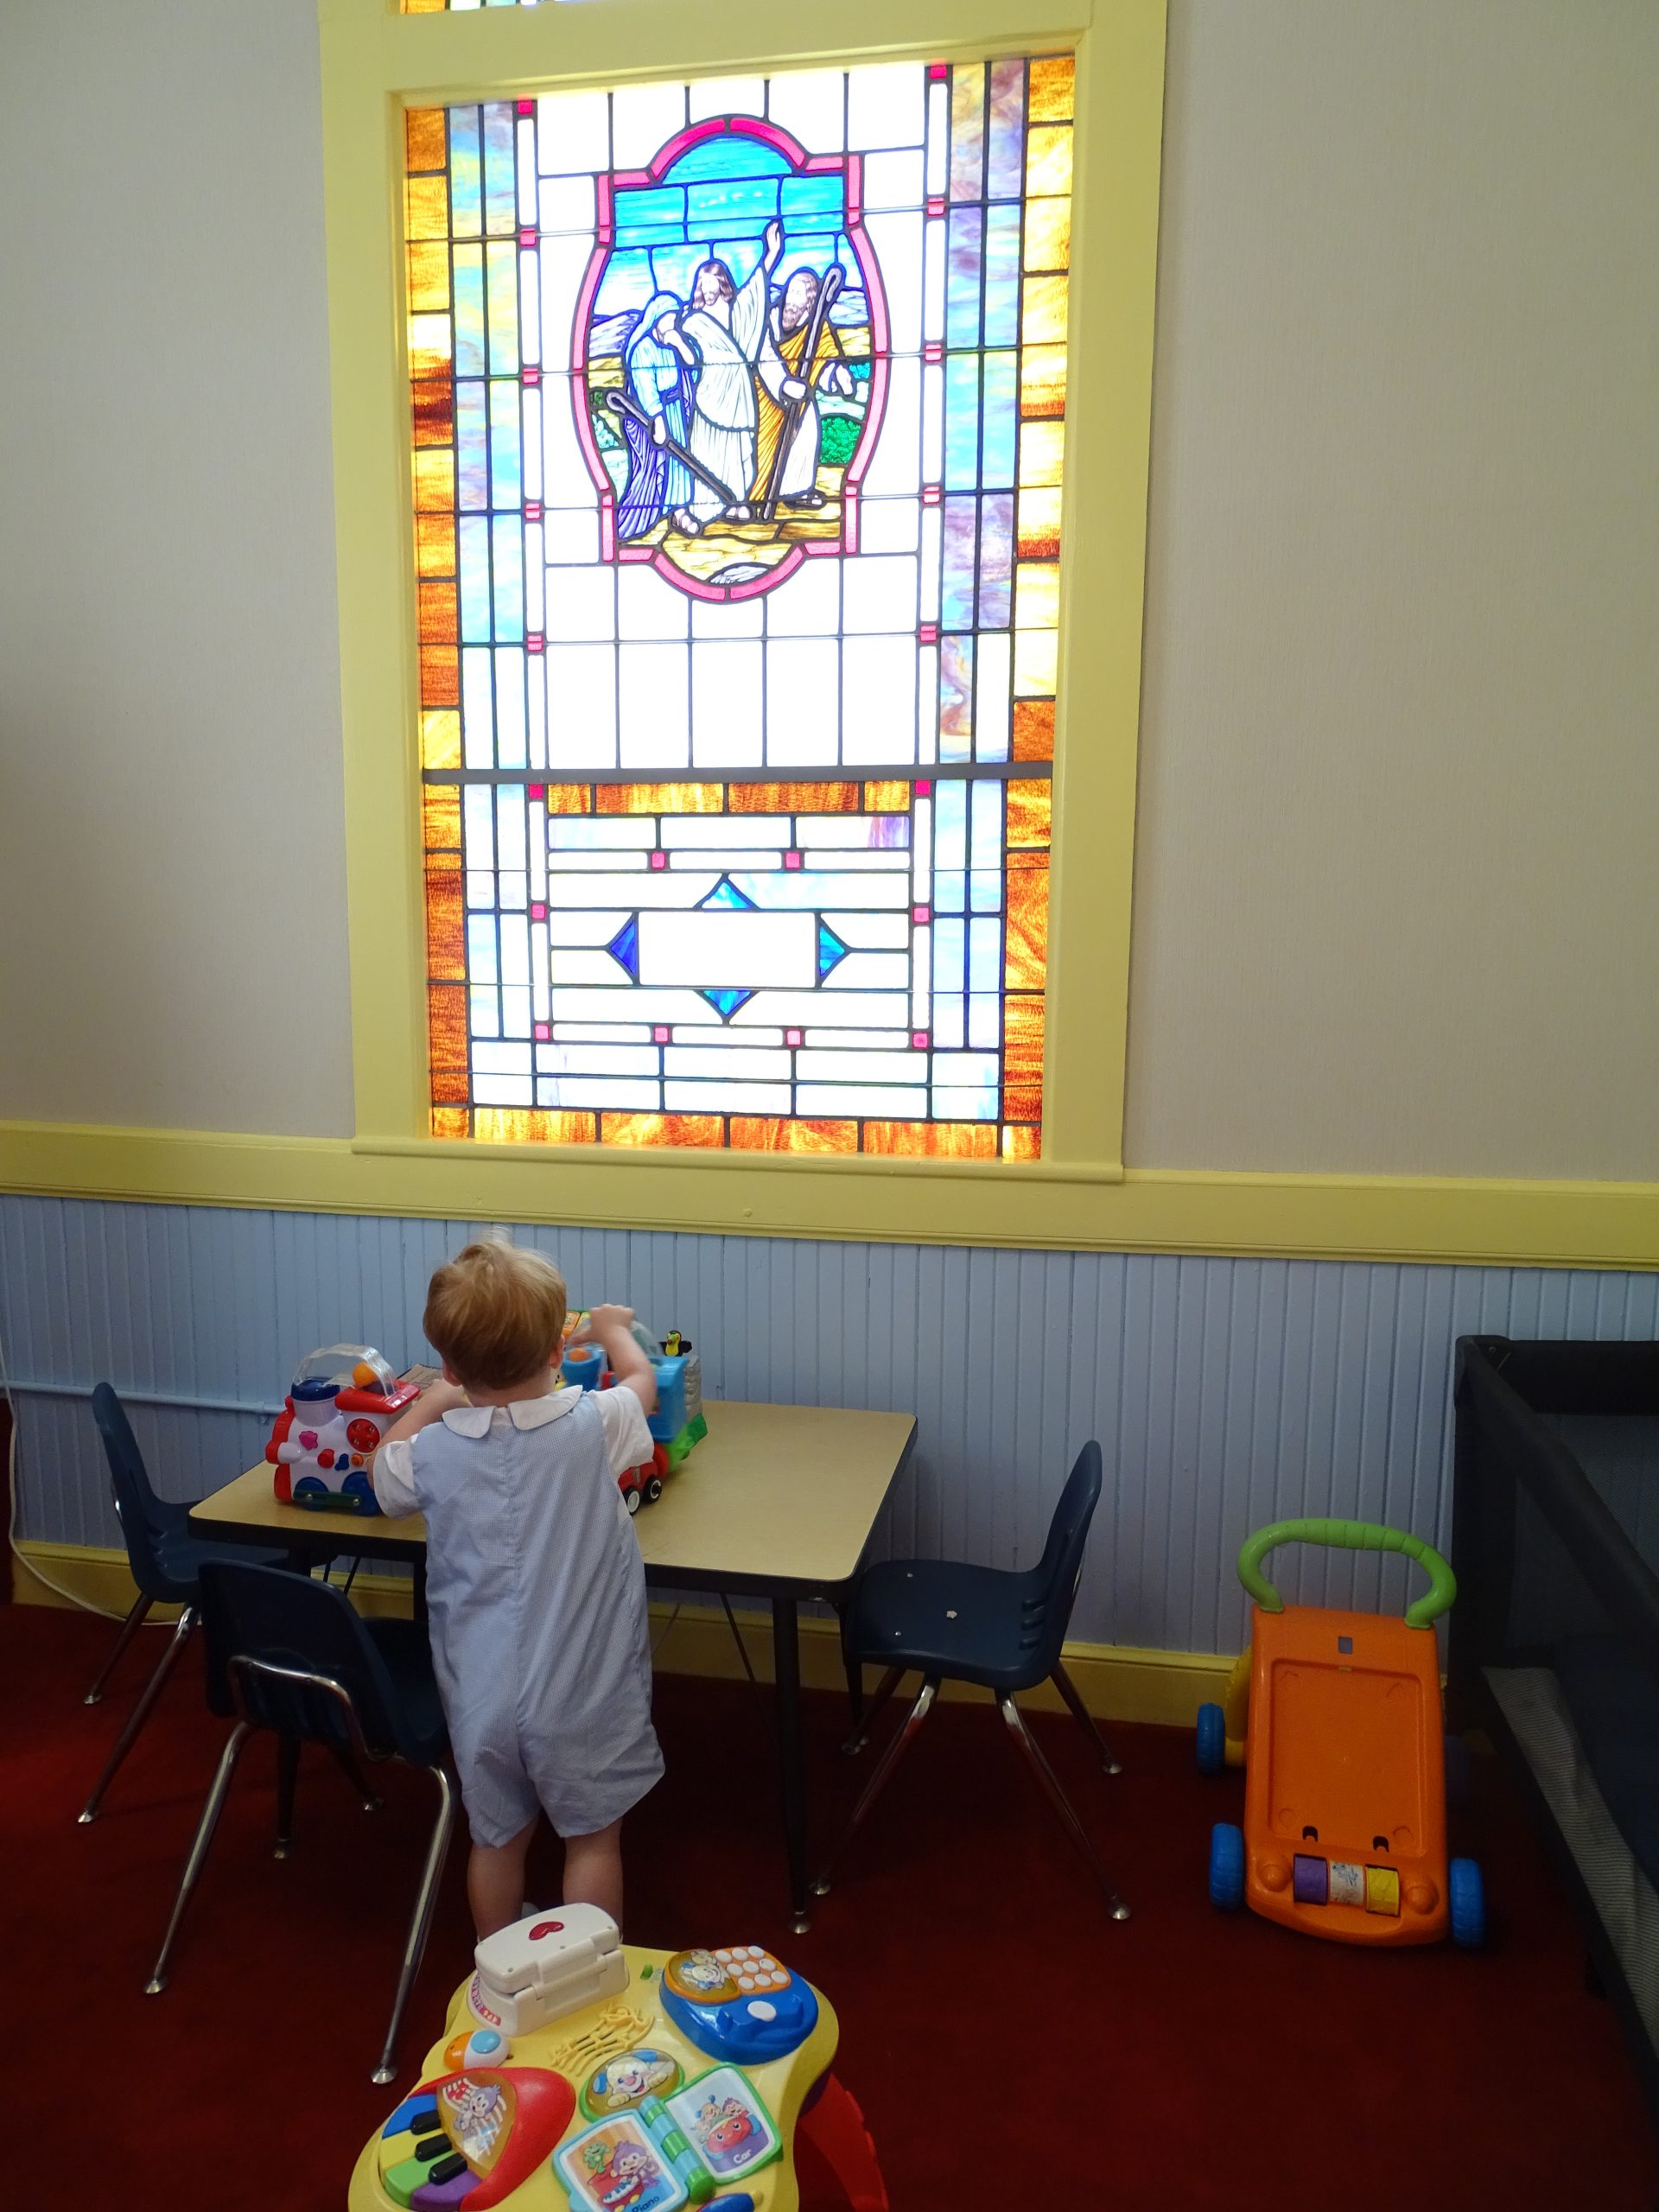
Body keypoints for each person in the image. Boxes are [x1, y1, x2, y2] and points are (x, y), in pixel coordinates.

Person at [371, 1239, 662, 1937]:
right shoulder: (591, 1424)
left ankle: (496, 1968)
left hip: (481, 1694)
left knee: (496, 1841)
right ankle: (591, 1973)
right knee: (593, 1842)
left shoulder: (434, 1452)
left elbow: (382, 1474)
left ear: (449, 1366)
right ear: (557, 1353)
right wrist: (614, 1329)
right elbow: (642, 1384)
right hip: (582, 1691)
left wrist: (433, 1402)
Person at [680, 218, 797, 525]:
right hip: (710, 395)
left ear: (722, 283)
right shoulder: (692, 322)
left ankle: (737, 502)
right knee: (708, 448)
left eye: (711, 283)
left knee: (741, 448)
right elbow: (687, 360)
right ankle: (706, 507)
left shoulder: (741, 313)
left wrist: (771, 254)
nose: (706, 289)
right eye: (701, 284)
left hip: (740, 393)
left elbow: (756, 291)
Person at [753, 267, 857, 511]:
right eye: (790, 291)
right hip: (766, 397)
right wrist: (783, 383)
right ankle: (756, 496)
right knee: (759, 447)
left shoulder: (817, 328)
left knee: (808, 430)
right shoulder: (767, 321)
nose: (791, 299)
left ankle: (796, 491)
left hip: (800, 400)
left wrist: (837, 375)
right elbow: (763, 355)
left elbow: (823, 360)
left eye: (798, 294)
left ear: (810, 301)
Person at [616, 293, 700, 541]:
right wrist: (658, 420)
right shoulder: (643, 349)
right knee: (657, 467)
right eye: (668, 319)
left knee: (680, 465)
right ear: (655, 318)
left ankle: (680, 512)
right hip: (655, 417)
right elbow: (646, 388)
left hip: (676, 412)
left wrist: (680, 343)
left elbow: (694, 365)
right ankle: (653, 512)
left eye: (675, 319)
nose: (672, 324)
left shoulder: (673, 343)